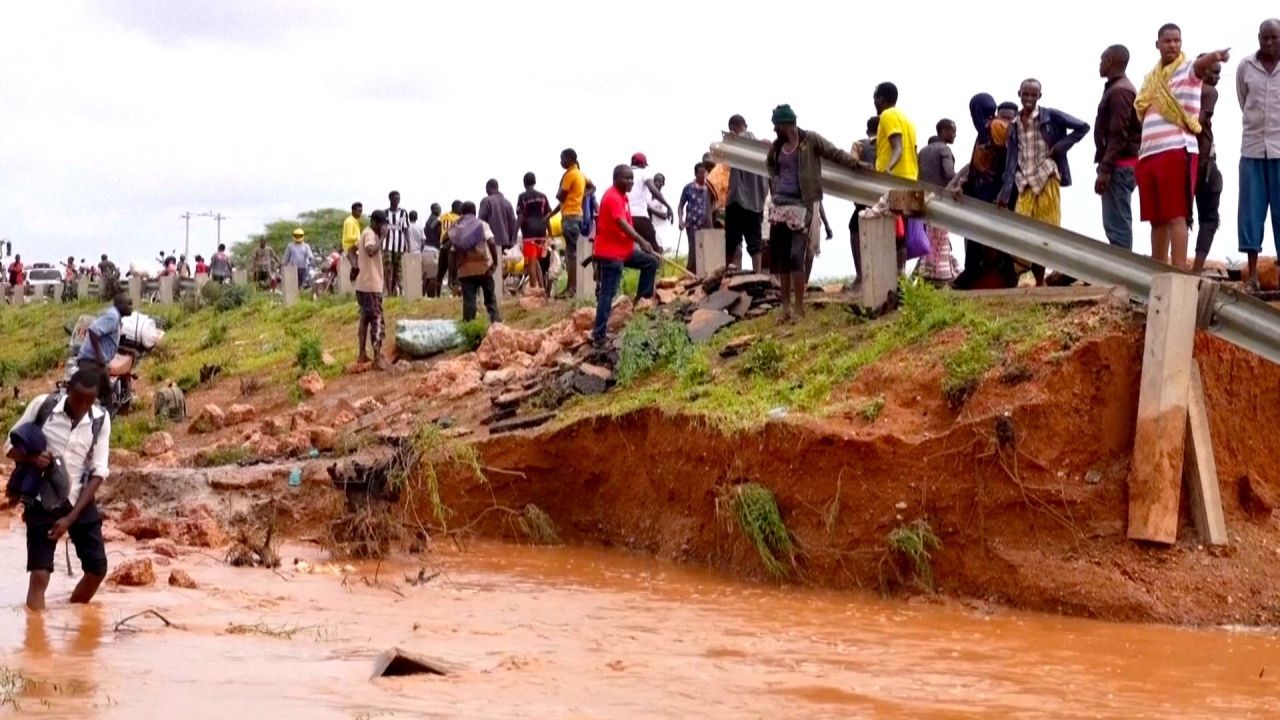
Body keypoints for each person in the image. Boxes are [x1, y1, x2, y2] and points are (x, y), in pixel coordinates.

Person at [4, 369, 112, 611]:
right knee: (40, 575)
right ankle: (37, 642)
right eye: (78, 398)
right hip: (42, 498)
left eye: (89, 400)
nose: (82, 405)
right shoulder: (43, 406)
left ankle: (74, 615)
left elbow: (98, 473)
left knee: (96, 570)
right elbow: (8, 446)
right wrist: (32, 459)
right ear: (68, 390)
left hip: (79, 499)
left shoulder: (100, 420)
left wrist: (70, 519)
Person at [1135, 23, 1229, 269]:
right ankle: (1157, 271)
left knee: (1177, 215)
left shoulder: (1187, 69)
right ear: (1158, 44)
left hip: (1177, 150)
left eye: (1177, 40)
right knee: (1156, 219)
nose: (1173, 45)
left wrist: (1214, 56)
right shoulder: (1150, 81)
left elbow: (1200, 66)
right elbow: (1141, 110)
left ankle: (1177, 273)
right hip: (1149, 154)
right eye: (1168, 41)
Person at [765, 104, 864, 323]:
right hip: (780, 207)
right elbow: (770, 169)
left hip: (802, 205)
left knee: (795, 256)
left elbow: (833, 152)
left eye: (776, 125)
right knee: (781, 259)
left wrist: (854, 164)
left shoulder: (810, 141)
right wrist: (775, 191)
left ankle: (799, 308)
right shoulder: (776, 147)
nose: (774, 130)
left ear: (786, 124)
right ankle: (786, 309)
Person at [997, 78, 1090, 285]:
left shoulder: (1050, 116)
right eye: (1025, 94)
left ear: (1040, 96)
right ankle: (1028, 277)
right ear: (1019, 94)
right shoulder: (1014, 125)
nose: (1029, 98)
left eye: (1033, 94)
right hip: (1025, 182)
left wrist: (1059, 147)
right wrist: (1004, 193)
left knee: (1047, 230)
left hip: (1047, 176)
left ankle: (1040, 280)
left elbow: (1083, 127)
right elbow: (1011, 160)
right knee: (1021, 233)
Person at [951, 93, 1019, 289]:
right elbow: (975, 165)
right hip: (979, 192)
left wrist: (1005, 191)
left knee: (988, 238)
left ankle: (979, 274)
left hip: (992, 192)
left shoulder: (998, 127)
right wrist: (962, 184)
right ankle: (977, 273)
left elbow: (1011, 158)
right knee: (978, 237)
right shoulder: (983, 132)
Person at [592, 165, 662, 349]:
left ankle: (642, 304)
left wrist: (639, 245)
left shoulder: (623, 196)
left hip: (624, 250)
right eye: (626, 178)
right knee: (608, 293)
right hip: (610, 254)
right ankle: (598, 335)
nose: (630, 181)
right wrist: (643, 241)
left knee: (650, 262)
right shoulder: (613, 197)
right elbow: (623, 224)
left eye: (632, 178)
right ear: (616, 179)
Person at [1237, 19, 1280, 290]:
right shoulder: (1246, 66)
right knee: (1250, 212)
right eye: (1265, 38)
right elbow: (1243, 100)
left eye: (1274, 37)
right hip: (1252, 148)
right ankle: (1252, 276)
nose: (1269, 43)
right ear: (1258, 38)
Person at [1094, 44, 1143, 251]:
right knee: (1115, 221)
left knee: (1117, 224)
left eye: (1101, 60)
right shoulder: (1120, 88)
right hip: (1120, 164)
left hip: (1120, 166)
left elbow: (1118, 134)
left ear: (1110, 61)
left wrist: (1105, 170)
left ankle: (1122, 274)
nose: (1099, 64)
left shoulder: (1120, 91)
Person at [874, 82, 921, 272]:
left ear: (882, 99)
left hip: (894, 181)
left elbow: (898, 148)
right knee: (900, 232)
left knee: (892, 232)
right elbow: (914, 152)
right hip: (909, 178)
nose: (874, 102)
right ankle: (900, 275)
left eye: (875, 98)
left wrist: (887, 171)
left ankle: (894, 276)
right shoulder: (908, 120)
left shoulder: (888, 115)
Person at [1191, 56, 1224, 273]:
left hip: (1188, 160)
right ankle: (1195, 270)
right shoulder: (1209, 91)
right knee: (1209, 218)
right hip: (1203, 163)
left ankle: (1180, 266)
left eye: (1219, 73)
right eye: (1213, 72)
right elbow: (1198, 123)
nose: (1217, 77)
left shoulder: (1184, 92)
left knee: (1182, 217)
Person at [916, 120, 960, 285]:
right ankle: (941, 277)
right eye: (953, 131)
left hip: (924, 201)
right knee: (940, 241)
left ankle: (927, 274)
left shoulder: (923, 151)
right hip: (940, 202)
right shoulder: (944, 149)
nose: (955, 135)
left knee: (931, 240)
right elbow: (949, 174)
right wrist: (961, 182)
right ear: (944, 131)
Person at [725, 116, 771, 271]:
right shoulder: (761, 148)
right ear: (745, 125)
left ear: (732, 127)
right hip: (756, 203)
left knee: (733, 242)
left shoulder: (735, 142)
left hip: (737, 200)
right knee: (755, 244)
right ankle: (757, 276)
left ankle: (731, 275)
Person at [76, 292, 133, 408]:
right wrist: (100, 358)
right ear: (120, 305)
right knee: (106, 397)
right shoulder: (113, 316)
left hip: (89, 362)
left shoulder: (116, 317)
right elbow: (92, 331)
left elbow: (107, 340)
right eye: (129, 304)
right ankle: (105, 423)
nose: (131, 307)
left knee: (100, 395)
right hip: (92, 363)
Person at [450, 201, 502, 324]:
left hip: (465, 271)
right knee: (490, 301)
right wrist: (495, 262)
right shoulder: (481, 224)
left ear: (462, 213)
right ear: (474, 212)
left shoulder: (457, 228)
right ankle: (497, 326)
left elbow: (451, 254)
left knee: (469, 303)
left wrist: (454, 275)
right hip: (483, 268)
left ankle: (469, 330)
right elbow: (492, 242)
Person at [548, 148, 586, 298]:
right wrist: (579, 198)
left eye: (562, 158)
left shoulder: (570, 175)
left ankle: (573, 289)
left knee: (572, 255)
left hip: (570, 217)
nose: (560, 162)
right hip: (576, 215)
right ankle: (571, 287)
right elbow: (592, 187)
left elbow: (560, 196)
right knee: (572, 254)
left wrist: (562, 180)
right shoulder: (581, 175)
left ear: (570, 159)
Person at [355, 210, 388, 369]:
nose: (384, 227)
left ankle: (362, 354)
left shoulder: (366, 233)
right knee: (376, 318)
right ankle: (377, 356)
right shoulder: (370, 235)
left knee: (365, 318)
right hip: (371, 285)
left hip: (363, 284)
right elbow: (370, 251)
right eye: (382, 224)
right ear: (375, 222)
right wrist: (382, 238)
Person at [848, 116, 880, 283]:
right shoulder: (890, 145)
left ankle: (861, 276)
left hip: (864, 198)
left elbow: (851, 162)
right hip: (886, 197)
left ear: (867, 131)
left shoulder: (859, 145)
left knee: (855, 228)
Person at [627, 153, 675, 261]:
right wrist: (668, 206)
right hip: (640, 217)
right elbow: (653, 189)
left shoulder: (625, 174)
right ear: (643, 165)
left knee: (624, 249)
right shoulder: (644, 173)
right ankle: (655, 273)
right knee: (654, 250)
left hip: (625, 217)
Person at [517, 172, 553, 295]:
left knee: (532, 262)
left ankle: (533, 288)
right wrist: (551, 233)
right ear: (535, 182)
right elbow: (548, 214)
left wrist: (514, 233)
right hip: (542, 232)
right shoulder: (543, 196)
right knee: (537, 262)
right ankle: (541, 287)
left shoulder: (522, 197)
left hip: (529, 232)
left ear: (524, 183)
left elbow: (520, 216)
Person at [679, 163, 716, 274]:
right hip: (691, 225)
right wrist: (680, 220)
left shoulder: (709, 189)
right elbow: (680, 205)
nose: (703, 176)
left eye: (704, 173)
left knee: (706, 253)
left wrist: (710, 213)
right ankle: (690, 276)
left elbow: (715, 203)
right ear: (695, 174)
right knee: (694, 253)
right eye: (700, 173)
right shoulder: (688, 188)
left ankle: (703, 277)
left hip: (706, 225)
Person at [478, 179, 518, 254]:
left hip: (491, 244)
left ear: (488, 188)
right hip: (506, 244)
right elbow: (513, 225)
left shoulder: (486, 201)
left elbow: (481, 223)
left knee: (495, 264)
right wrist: (512, 244)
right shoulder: (508, 203)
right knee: (502, 265)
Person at [383, 191, 409, 297]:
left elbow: (406, 229)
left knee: (397, 269)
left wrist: (408, 245)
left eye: (399, 198)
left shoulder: (403, 213)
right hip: (387, 244)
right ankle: (388, 291)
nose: (397, 200)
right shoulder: (385, 213)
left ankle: (393, 291)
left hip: (400, 245)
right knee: (388, 268)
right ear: (390, 199)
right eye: (395, 198)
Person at [437, 201, 462, 295]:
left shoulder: (443, 216)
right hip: (453, 247)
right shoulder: (460, 218)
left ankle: (437, 295)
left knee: (440, 272)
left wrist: (441, 237)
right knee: (454, 272)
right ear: (457, 208)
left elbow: (436, 227)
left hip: (443, 245)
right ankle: (455, 293)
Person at [342, 202, 364, 282]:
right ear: (353, 210)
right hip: (350, 247)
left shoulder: (355, 221)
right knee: (356, 267)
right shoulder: (349, 221)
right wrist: (360, 238)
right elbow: (348, 237)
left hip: (355, 245)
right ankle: (353, 280)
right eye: (358, 211)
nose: (360, 213)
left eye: (361, 212)